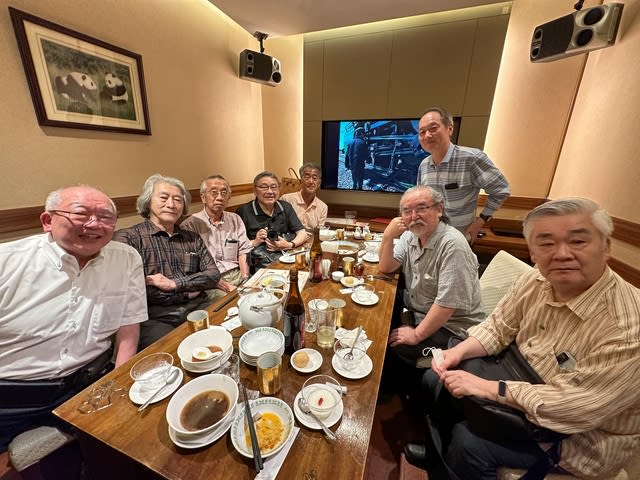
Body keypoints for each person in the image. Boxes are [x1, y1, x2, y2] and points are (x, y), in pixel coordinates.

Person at [405, 198, 640, 480]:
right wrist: (457, 353)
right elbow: (498, 327)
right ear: (533, 252)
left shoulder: (627, 326)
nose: (562, 254)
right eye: (546, 243)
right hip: (518, 374)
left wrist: (488, 388)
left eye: (578, 241)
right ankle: (437, 455)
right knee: (435, 378)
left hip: (579, 436)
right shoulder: (536, 279)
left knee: (469, 444)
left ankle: (450, 457)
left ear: (606, 247)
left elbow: (577, 408)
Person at [0, 186, 147, 451]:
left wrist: (118, 384)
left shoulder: (126, 258)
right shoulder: (7, 261)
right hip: (11, 396)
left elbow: (129, 326)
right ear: (48, 220)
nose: (94, 224)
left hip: (89, 384)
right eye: (81, 214)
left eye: (105, 217)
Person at [378, 185, 485, 397]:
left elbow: (447, 305)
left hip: (454, 328)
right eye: (407, 211)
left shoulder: (453, 245)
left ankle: (402, 396)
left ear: (439, 209)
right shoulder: (410, 236)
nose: (414, 216)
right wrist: (388, 236)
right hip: (421, 311)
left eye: (421, 208)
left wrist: (416, 335)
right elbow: (386, 267)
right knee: (384, 313)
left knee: (392, 345)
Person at [114, 174, 227, 350]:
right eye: (164, 197)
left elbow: (212, 275)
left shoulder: (192, 238)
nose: (171, 204)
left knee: (226, 336)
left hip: (199, 305)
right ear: (148, 201)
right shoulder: (128, 238)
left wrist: (173, 284)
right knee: (175, 352)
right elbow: (133, 290)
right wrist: (187, 292)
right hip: (154, 316)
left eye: (178, 200)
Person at [416, 106, 510, 243]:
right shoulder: (424, 165)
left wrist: (481, 220)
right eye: (422, 132)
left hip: (460, 240)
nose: (427, 135)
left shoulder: (471, 158)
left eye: (433, 128)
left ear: (449, 129)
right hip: (430, 238)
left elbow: (501, 190)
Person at [181, 175, 252, 286]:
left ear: (228, 197)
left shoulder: (235, 219)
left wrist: (245, 278)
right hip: (210, 282)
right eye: (214, 192)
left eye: (224, 193)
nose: (220, 197)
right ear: (203, 197)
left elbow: (243, 251)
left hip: (237, 273)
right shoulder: (190, 225)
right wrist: (226, 287)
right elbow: (192, 268)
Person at [236, 171, 307, 271]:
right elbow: (237, 246)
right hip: (260, 265)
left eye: (274, 187)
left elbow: (302, 233)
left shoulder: (285, 207)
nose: (270, 191)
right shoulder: (244, 212)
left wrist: (289, 245)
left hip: (286, 258)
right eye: (264, 187)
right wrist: (255, 241)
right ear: (255, 190)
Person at [279, 163, 328, 231]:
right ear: (300, 181)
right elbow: (278, 226)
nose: (311, 181)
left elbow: (319, 233)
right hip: (289, 237)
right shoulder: (286, 200)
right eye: (307, 177)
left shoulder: (323, 207)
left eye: (314, 178)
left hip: (311, 238)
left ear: (319, 183)